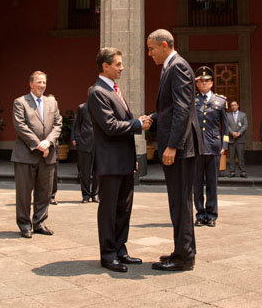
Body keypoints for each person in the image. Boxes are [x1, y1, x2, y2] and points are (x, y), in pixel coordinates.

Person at [86, 47, 150, 272]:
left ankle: (121, 249)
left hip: (124, 162)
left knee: (124, 209)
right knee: (109, 209)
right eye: (118, 64)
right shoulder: (97, 92)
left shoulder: (114, 90)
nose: (122, 68)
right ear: (105, 66)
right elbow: (110, 126)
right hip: (110, 163)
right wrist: (138, 124)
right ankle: (108, 254)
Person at [147, 29, 202, 271]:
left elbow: (182, 110)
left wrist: (171, 146)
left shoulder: (177, 66)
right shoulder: (170, 67)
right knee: (177, 202)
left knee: (181, 202)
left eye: (151, 49)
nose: (149, 54)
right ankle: (181, 250)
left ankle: (184, 258)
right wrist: (151, 118)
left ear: (164, 45)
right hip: (178, 145)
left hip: (180, 148)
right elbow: (170, 110)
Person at [12, 71, 62, 238]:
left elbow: (58, 125)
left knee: (44, 192)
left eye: (44, 82)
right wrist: (38, 144)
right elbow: (20, 125)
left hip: (48, 154)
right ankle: (25, 224)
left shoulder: (52, 103)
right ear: (31, 84)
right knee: (24, 193)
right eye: (39, 82)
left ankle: (39, 222)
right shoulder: (20, 102)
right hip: (26, 155)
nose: (42, 85)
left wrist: (48, 142)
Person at [193, 66, 228, 227]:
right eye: (201, 81)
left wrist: (224, 145)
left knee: (212, 183)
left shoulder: (220, 101)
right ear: (197, 83)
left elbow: (225, 127)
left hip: (214, 147)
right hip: (197, 147)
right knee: (197, 183)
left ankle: (212, 214)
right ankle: (200, 214)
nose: (204, 83)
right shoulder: (192, 101)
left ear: (212, 83)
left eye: (207, 80)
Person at [72, 89, 98, 203]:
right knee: (85, 172)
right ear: (88, 94)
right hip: (85, 144)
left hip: (99, 145)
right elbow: (78, 125)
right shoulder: (82, 108)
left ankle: (95, 194)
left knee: (97, 172)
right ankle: (86, 195)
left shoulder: (102, 108)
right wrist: (79, 139)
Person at [226, 101, 248, 178]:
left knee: (241, 156)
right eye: (232, 105)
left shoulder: (243, 115)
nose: (233, 107)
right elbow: (226, 126)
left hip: (240, 139)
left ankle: (242, 171)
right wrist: (232, 133)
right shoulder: (227, 115)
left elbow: (245, 125)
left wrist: (238, 133)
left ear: (238, 106)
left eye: (235, 105)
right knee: (231, 157)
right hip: (231, 139)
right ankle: (232, 171)